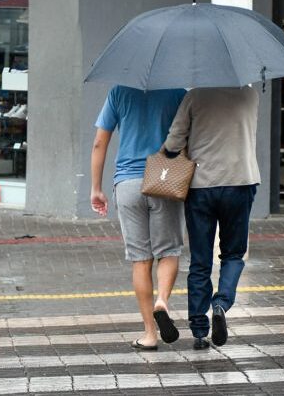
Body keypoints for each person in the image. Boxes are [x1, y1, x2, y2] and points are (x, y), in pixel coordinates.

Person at [164, 86, 260, 350]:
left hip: (200, 186)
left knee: (200, 260)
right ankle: (221, 304)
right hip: (241, 181)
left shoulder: (194, 96)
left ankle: (198, 331)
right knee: (232, 254)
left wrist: (174, 152)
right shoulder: (250, 95)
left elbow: (173, 142)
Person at [91, 85, 186, 350]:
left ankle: (149, 334)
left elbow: (100, 142)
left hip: (128, 183)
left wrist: (96, 188)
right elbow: (189, 135)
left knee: (140, 260)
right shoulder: (177, 92)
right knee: (168, 251)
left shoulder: (119, 92)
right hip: (164, 178)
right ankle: (162, 302)